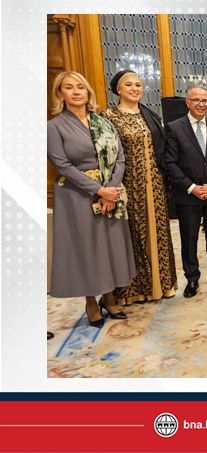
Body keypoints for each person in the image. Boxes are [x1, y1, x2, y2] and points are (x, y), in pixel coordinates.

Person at [47, 70, 136, 327]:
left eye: (80, 87)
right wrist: (98, 190)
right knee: (88, 249)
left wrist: (111, 189)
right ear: (60, 94)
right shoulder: (54, 127)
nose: (76, 92)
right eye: (69, 87)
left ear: (88, 92)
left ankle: (109, 297)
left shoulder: (104, 123)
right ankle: (90, 302)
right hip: (77, 195)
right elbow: (62, 165)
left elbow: (120, 159)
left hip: (111, 193)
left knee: (109, 246)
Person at [101, 69, 177, 304]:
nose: (134, 89)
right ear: (118, 89)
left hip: (155, 183)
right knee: (133, 235)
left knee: (159, 233)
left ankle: (162, 285)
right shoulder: (109, 117)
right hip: (127, 185)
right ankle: (134, 291)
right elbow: (107, 155)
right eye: (129, 85)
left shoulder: (149, 115)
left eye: (138, 85)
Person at [164, 84, 207, 298]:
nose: (201, 104)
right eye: (196, 100)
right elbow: (170, 163)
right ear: (187, 102)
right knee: (189, 238)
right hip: (188, 195)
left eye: (204, 100)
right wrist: (192, 188)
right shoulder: (174, 128)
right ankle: (192, 278)